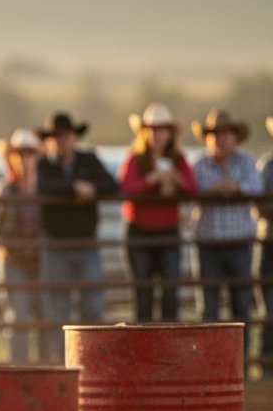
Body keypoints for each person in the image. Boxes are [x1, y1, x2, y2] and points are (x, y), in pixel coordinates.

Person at [36, 111, 119, 363]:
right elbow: (44, 188)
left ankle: (90, 359)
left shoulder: (89, 160)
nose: (62, 141)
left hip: (84, 243)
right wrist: (76, 188)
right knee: (57, 308)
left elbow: (112, 186)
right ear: (50, 141)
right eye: (57, 137)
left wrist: (92, 188)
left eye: (66, 136)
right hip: (56, 244)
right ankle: (61, 361)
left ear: (74, 137)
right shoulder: (44, 166)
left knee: (92, 306)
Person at [119, 103, 197, 322]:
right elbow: (126, 188)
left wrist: (176, 180)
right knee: (143, 294)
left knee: (170, 293)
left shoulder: (178, 160)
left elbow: (192, 189)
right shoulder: (135, 159)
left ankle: (166, 346)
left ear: (169, 133)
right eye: (152, 129)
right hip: (140, 232)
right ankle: (144, 345)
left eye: (161, 129)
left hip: (168, 232)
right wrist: (151, 180)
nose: (156, 134)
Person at [190, 108, 260, 352]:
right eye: (215, 134)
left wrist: (234, 187)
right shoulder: (199, 163)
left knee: (240, 305)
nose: (220, 138)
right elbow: (193, 188)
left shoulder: (246, 161)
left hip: (239, 242)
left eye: (225, 133)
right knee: (208, 307)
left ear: (234, 137)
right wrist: (223, 188)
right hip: (208, 243)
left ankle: (240, 360)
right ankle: (209, 361)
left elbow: (255, 186)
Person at [0, 128, 45, 363]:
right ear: (11, 157)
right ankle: (19, 365)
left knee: (44, 315)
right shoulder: (4, 188)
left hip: (38, 259)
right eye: (20, 153)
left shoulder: (42, 188)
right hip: (13, 259)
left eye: (29, 153)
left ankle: (46, 365)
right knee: (18, 316)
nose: (25, 159)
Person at [258, 117, 273, 373]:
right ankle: (267, 364)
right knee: (268, 306)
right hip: (270, 240)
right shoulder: (268, 165)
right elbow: (258, 205)